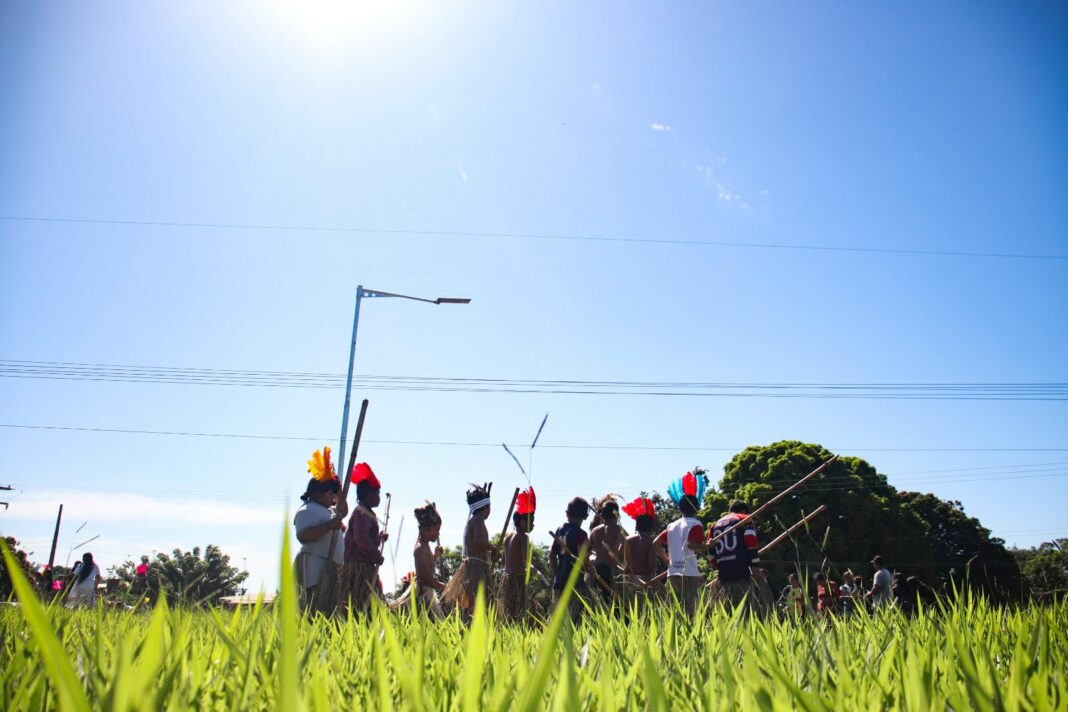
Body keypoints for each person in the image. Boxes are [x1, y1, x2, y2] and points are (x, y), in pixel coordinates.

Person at [293, 446, 347, 615]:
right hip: (315, 569)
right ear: (318, 493)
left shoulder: (328, 511)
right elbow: (303, 536)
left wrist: (339, 492)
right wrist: (329, 526)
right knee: (316, 610)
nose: (332, 499)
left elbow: (343, 511)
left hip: (330, 569)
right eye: (330, 494)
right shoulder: (306, 510)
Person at [655, 470, 708, 616]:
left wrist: (667, 560)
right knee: (692, 612)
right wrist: (705, 546)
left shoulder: (671, 526)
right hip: (689, 573)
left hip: (673, 573)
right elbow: (691, 544)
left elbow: (656, 543)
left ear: (680, 509)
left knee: (675, 612)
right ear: (696, 508)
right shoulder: (695, 524)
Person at [339, 462, 388, 616]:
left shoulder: (366, 513)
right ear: (369, 495)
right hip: (358, 568)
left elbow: (367, 539)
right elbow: (361, 541)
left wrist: (379, 539)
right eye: (377, 494)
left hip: (365, 566)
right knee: (360, 606)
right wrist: (377, 556)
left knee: (370, 608)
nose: (379, 498)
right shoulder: (361, 513)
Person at [707, 499, 769, 616]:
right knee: (747, 611)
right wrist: (755, 567)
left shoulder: (714, 526)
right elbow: (751, 543)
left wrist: (717, 567)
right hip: (741, 570)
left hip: (724, 574)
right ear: (743, 510)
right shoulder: (744, 518)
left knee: (728, 611)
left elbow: (710, 552)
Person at [442, 482, 494, 616]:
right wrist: (493, 549)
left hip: (474, 566)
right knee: (476, 602)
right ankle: (473, 626)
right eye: (490, 507)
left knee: (474, 601)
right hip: (476, 567)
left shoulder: (473, 520)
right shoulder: (478, 520)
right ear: (485, 507)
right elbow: (480, 541)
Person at [549, 497, 592, 621]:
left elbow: (552, 555)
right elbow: (584, 558)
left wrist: (556, 573)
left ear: (567, 513)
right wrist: (591, 571)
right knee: (574, 621)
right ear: (585, 516)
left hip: (559, 583)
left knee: (557, 619)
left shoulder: (559, 530)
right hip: (575, 585)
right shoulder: (581, 534)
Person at [498, 487, 536, 623]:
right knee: (521, 614)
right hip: (518, 581)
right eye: (531, 521)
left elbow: (503, 561)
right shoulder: (523, 537)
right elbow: (525, 560)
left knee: (509, 614)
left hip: (507, 581)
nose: (533, 525)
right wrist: (532, 569)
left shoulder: (508, 537)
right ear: (523, 522)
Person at [405, 501, 445, 618]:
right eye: (436, 530)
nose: (438, 534)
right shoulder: (420, 548)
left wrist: (435, 556)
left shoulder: (425, 544)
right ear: (426, 529)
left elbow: (427, 567)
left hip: (427, 592)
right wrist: (444, 587)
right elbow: (427, 579)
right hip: (423, 595)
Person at [588, 496, 625, 605]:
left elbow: (587, 552)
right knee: (615, 605)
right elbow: (622, 548)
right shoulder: (618, 529)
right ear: (617, 515)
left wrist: (591, 561)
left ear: (602, 515)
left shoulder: (594, 531)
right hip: (612, 571)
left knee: (600, 603)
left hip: (596, 571)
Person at [621, 497, 659, 601]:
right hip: (646, 580)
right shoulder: (652, 542)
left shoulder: (627, 540)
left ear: (637, 526)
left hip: (628, 581)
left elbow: (619, 557)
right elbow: (651, 564)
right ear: (650, 527)